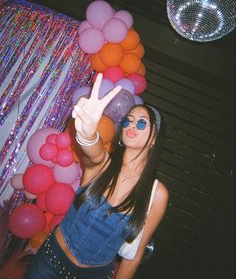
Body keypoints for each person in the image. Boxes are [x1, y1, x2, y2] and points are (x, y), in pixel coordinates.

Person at [24, 73, 169, 279]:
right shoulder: (103, 164)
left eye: (142, 123)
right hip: (50, 260)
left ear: (154, 137)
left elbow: (133, 256)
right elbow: (93, 151)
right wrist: (87, 131)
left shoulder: (157, 194)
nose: (132, 126)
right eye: (128, 121)